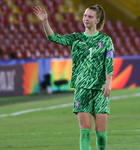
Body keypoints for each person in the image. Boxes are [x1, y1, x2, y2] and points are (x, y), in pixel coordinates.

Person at [33, 4, 114, 150]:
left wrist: (108, 83)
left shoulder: (106, 40)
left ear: (97, 20)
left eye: (90, 16)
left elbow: (109, 63)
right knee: (85, 133)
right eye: (84, 15)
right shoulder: (76, 38)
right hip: (82, 89)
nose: (86, 19)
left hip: (100, 90)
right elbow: (53, 37)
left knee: (101, 135)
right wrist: (45, 22)